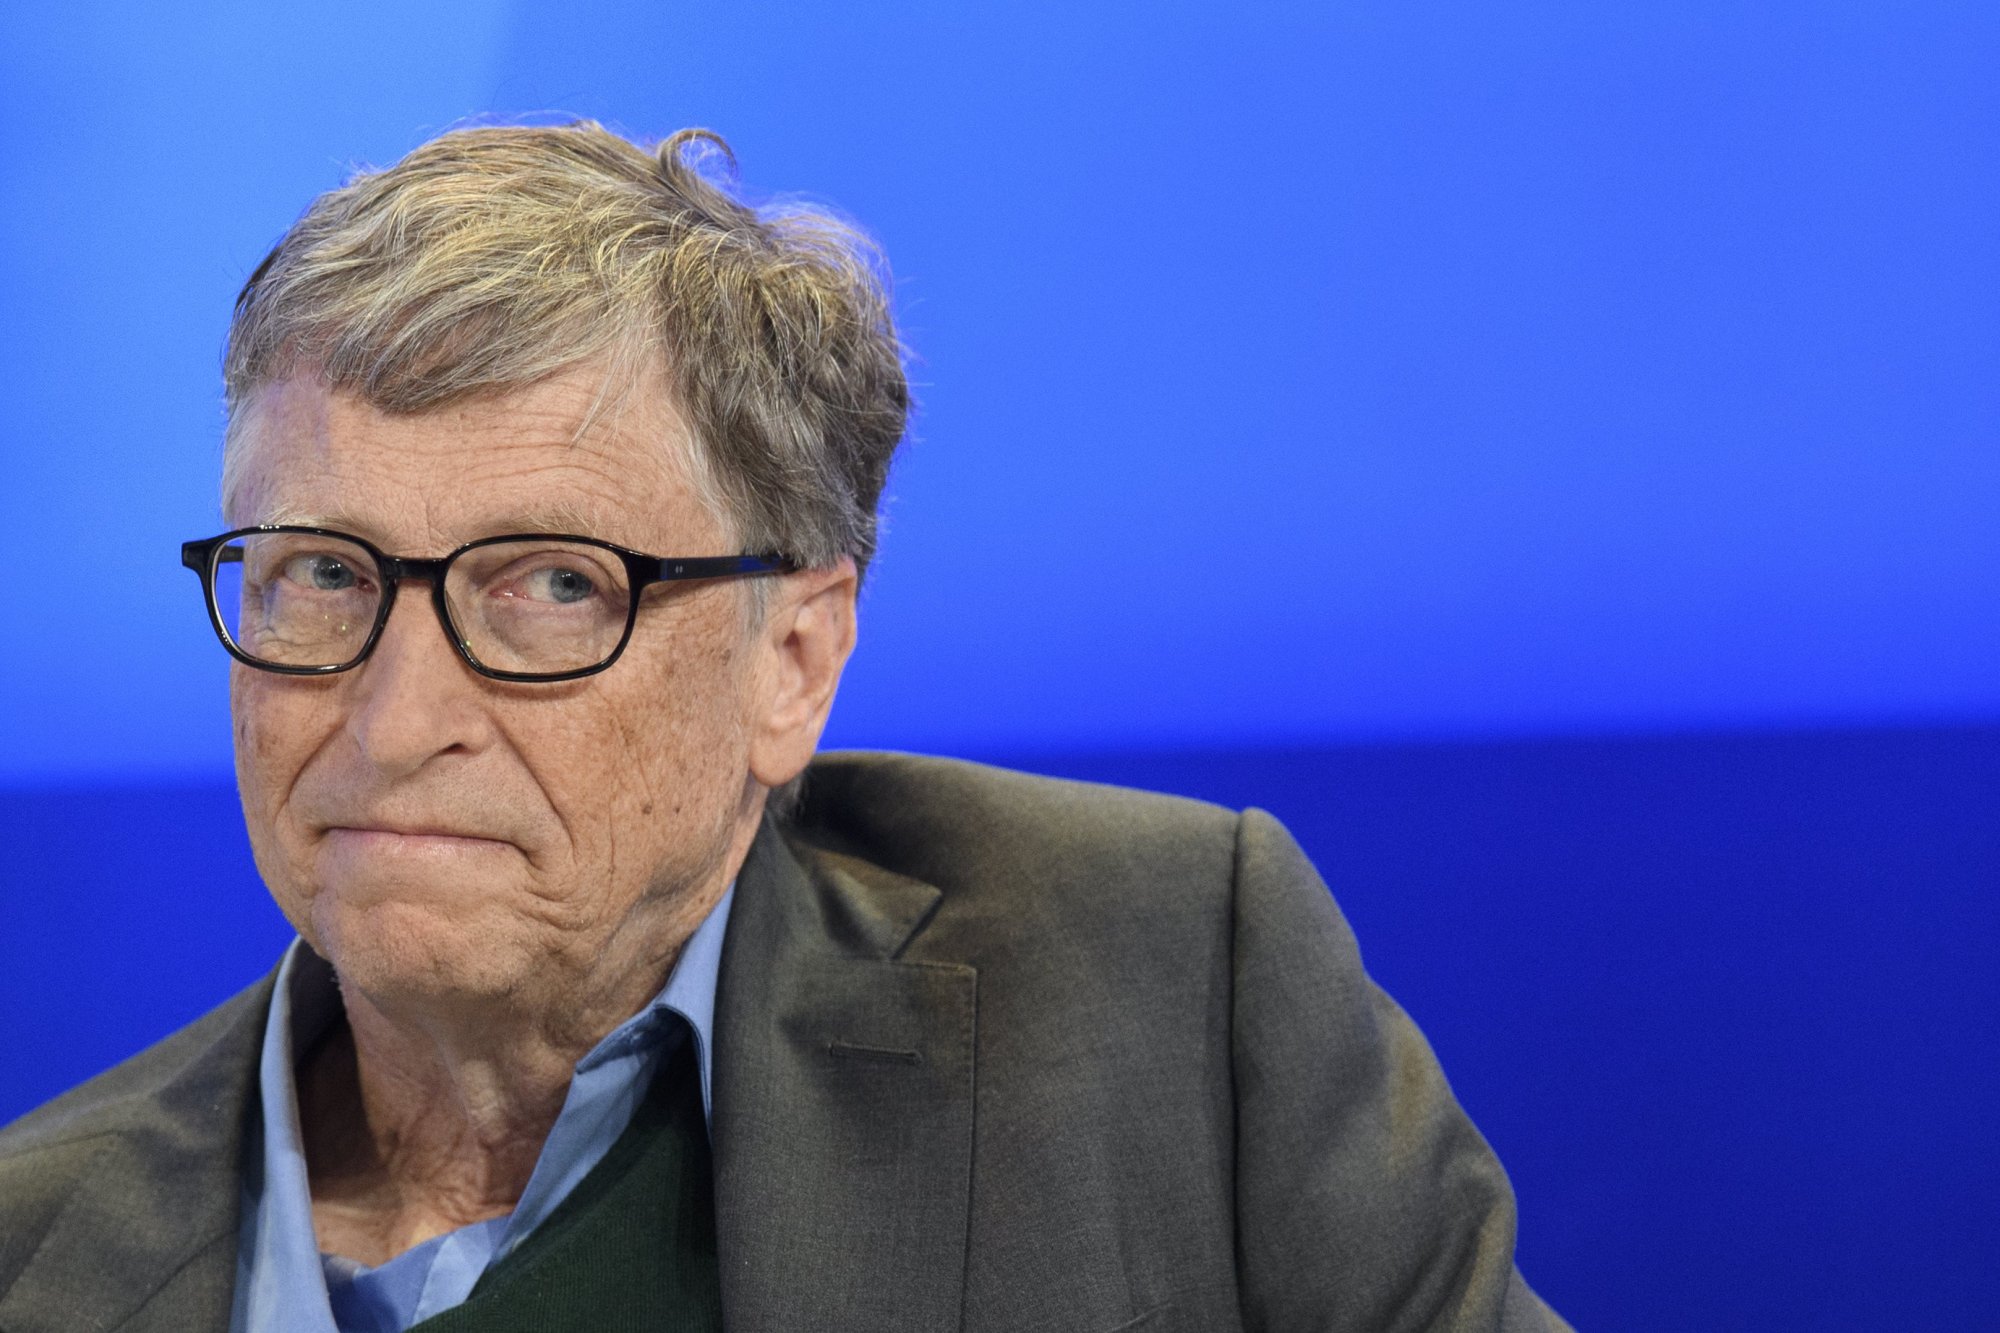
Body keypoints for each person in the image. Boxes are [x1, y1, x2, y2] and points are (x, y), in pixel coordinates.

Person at [0, 121, 1570, 1332]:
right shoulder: (33, 1243)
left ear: (794, 663)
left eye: (553, 585)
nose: (397, 720)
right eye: (325, 574)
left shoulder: (1165, 996)